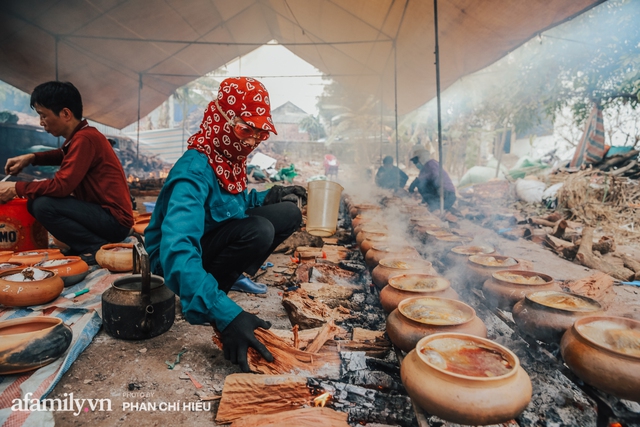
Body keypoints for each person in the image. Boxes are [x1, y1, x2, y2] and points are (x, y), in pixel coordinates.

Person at [144, 77, 306, 372]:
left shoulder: (228, 157)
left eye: (260, 134)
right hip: (172, 263)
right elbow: (177, 250)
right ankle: (204, 297)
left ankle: (214, 287)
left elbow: (234, 204)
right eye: (246, 129)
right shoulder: (193, 171)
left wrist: (271, 195)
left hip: (210, 241)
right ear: (222, 119)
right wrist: (227, 316)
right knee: (259, 231)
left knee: (288, 214)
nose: (251, 142)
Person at [0, 81, 134, 264]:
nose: (41, 122)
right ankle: (86, 245)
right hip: (106, 217)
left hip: (115, 222)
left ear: (65, 114)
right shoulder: (82, 137)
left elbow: (61, 187)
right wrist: (31, 157)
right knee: (38, 202)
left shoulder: (85, 139)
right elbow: (61, 155)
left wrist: (16, 188)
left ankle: (94, 248)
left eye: (43, 115)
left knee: (42, 205)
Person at [408, 146, 457, 211]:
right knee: (420, 183)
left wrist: (418, 180)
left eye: (416, 161)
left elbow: (436, 177)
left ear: (421, 158)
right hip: (443, 196)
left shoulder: (431, 164)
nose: (415, 164)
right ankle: (433, 206)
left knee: (419, 182)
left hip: (446, 195)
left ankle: (436, 208)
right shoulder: (424, 168)